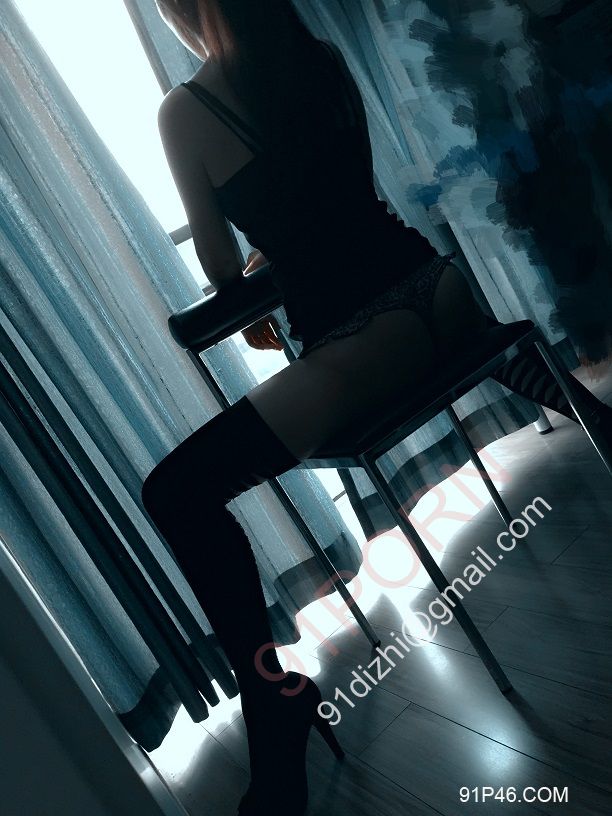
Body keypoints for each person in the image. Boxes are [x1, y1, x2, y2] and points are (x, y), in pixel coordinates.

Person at [141, 2, 612, 813]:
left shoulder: (185, 109)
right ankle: (596, 418)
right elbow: (342, 197)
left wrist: (260, 252)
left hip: (367, 341)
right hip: (443, 290)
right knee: (482, 349)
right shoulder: (319, 57)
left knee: (176, 492)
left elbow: (221, 268)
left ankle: (273, 706)